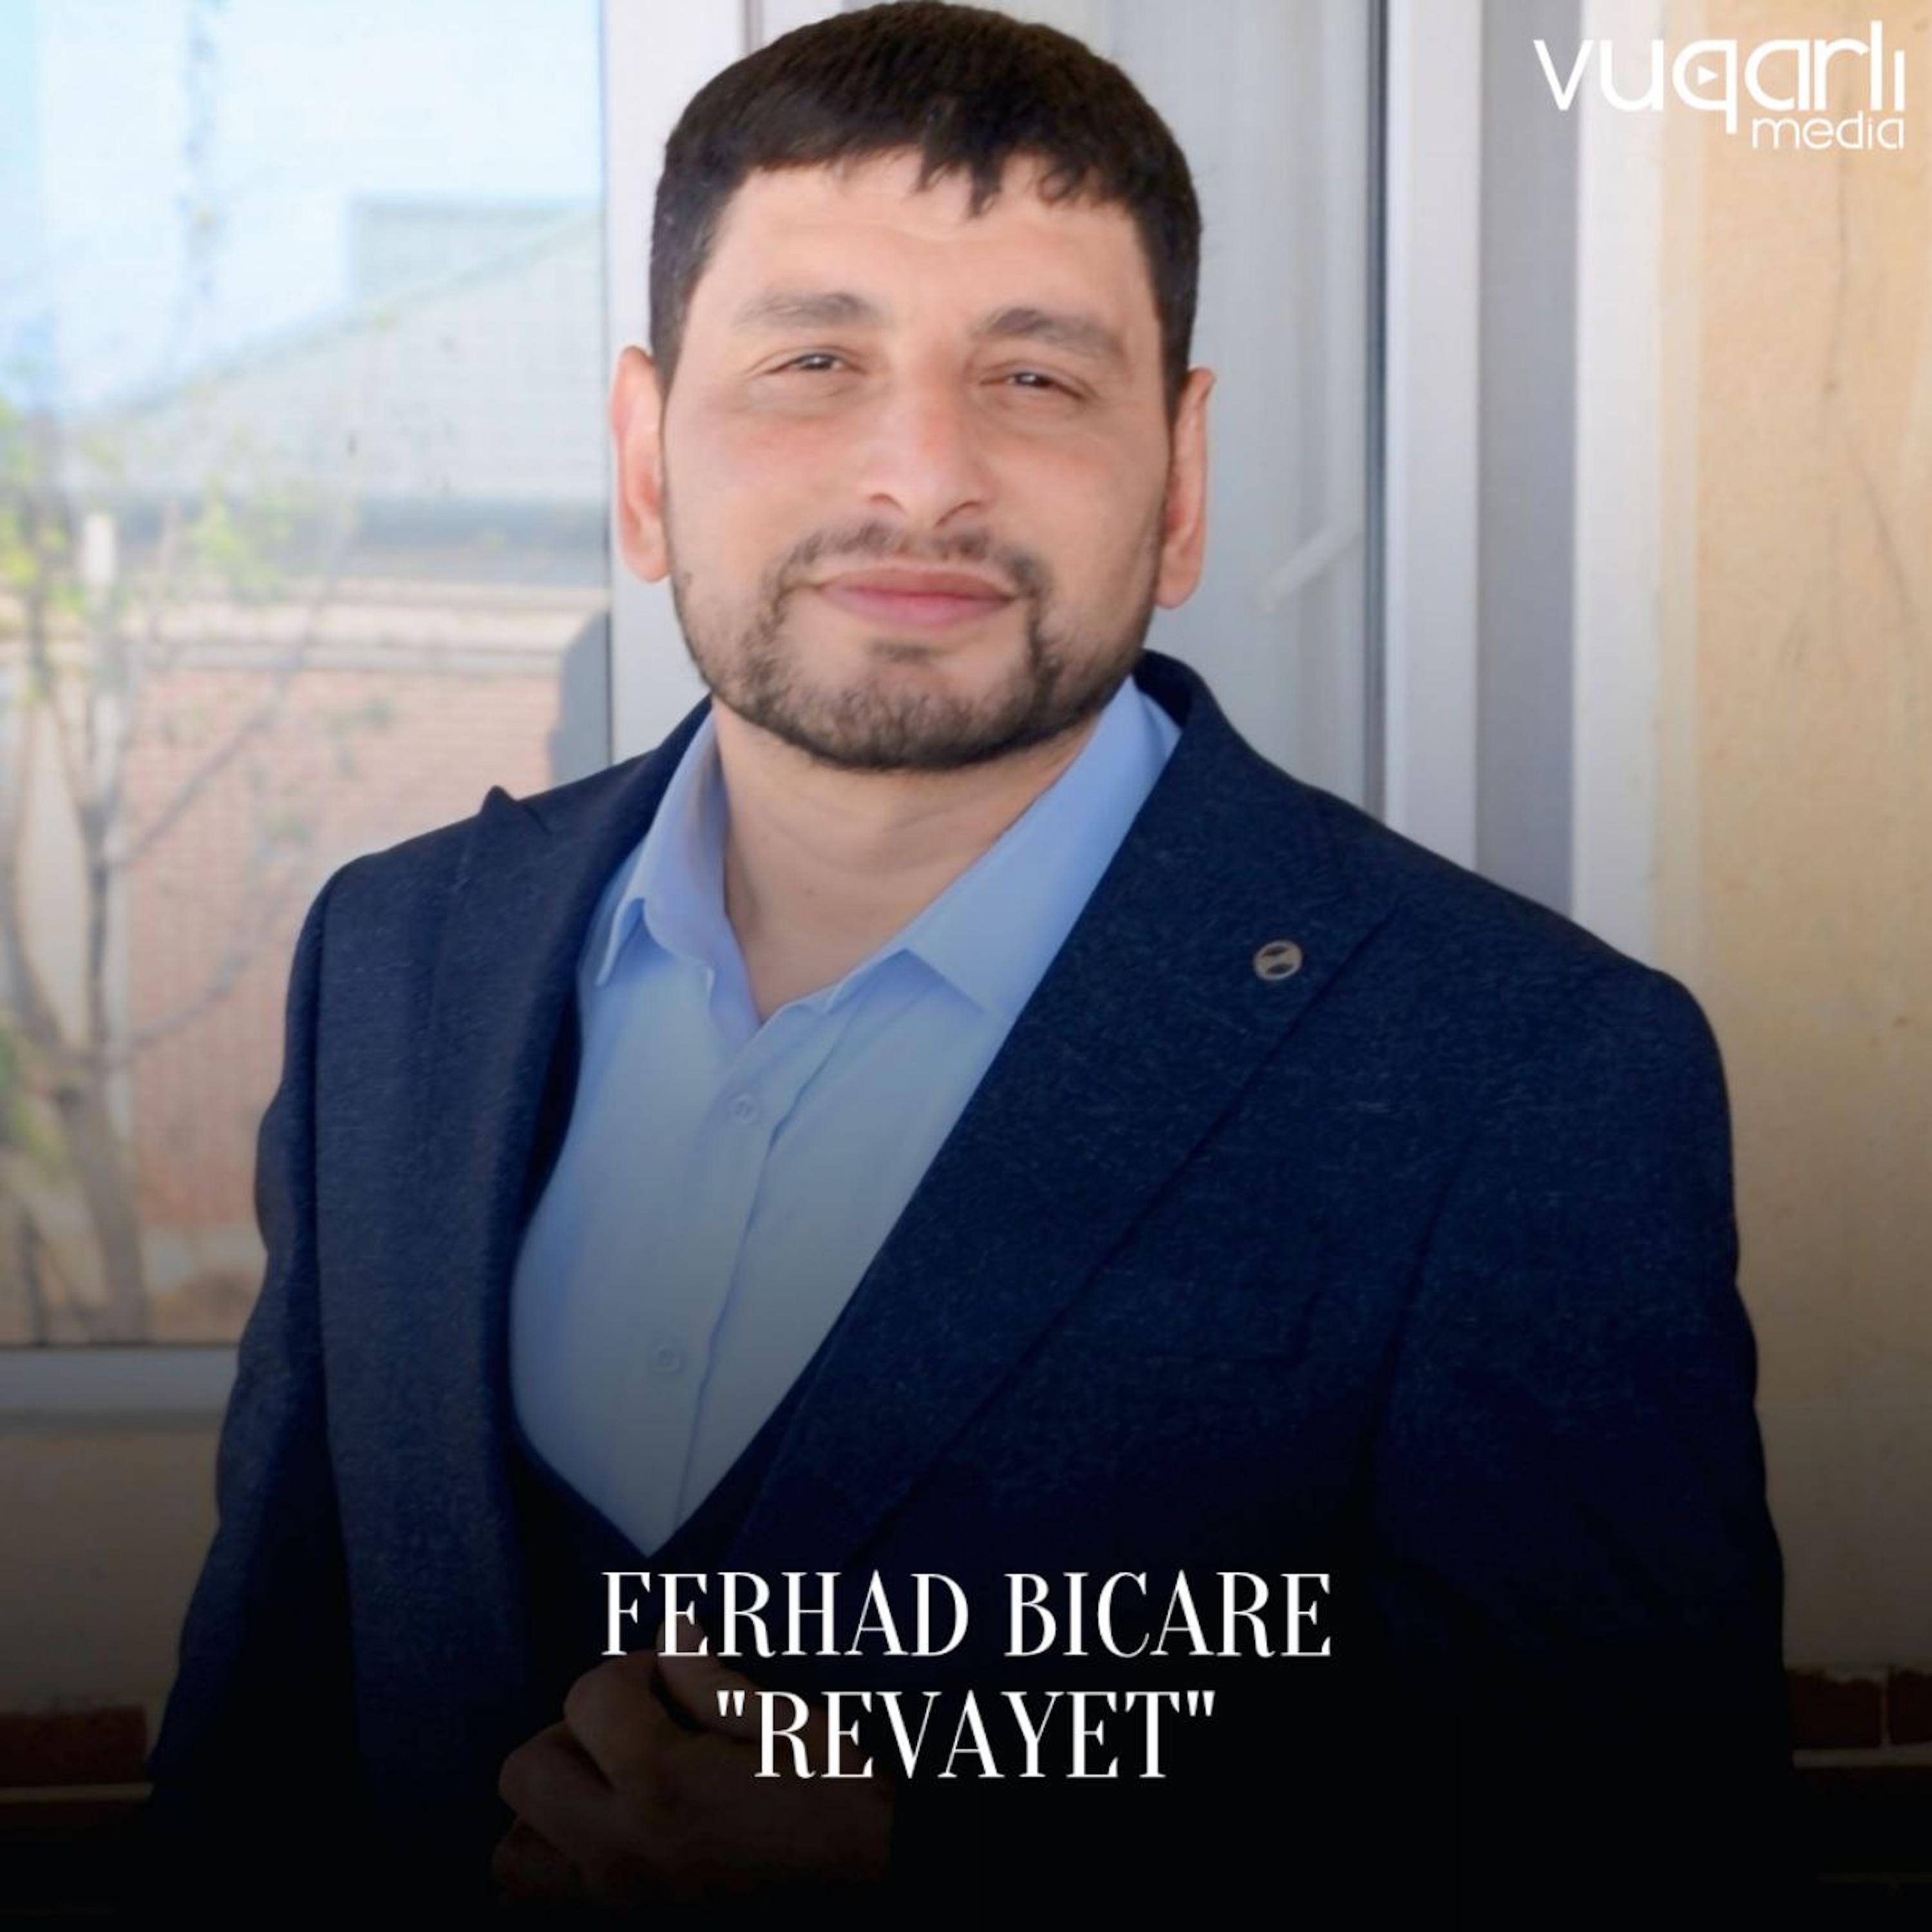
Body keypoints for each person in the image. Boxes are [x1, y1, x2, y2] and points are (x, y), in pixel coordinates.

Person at [144, 3, 1792, 1922]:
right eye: (815, 361)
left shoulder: (1523, 1070)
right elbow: (267, 1735)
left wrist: (933, 1859)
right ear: (644, 458)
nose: (922, 476)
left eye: (1035, 376)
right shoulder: (397, 956)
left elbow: (1641, 1822)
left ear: (1180, 482)